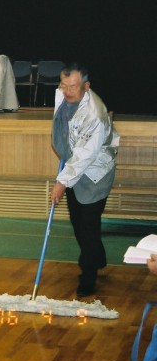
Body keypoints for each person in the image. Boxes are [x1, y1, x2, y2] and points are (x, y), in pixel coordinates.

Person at [49, 63, 119, 297]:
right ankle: (97, 257)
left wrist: (61, 182)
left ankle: (88, 277)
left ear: (86, 86)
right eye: (64, 85)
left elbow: (85, 155)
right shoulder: (63, 95)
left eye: (73, 87)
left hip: (94, 174)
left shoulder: (95, 114)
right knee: (77, 221)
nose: (67, 91)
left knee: (88, 227)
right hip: (73, 168)